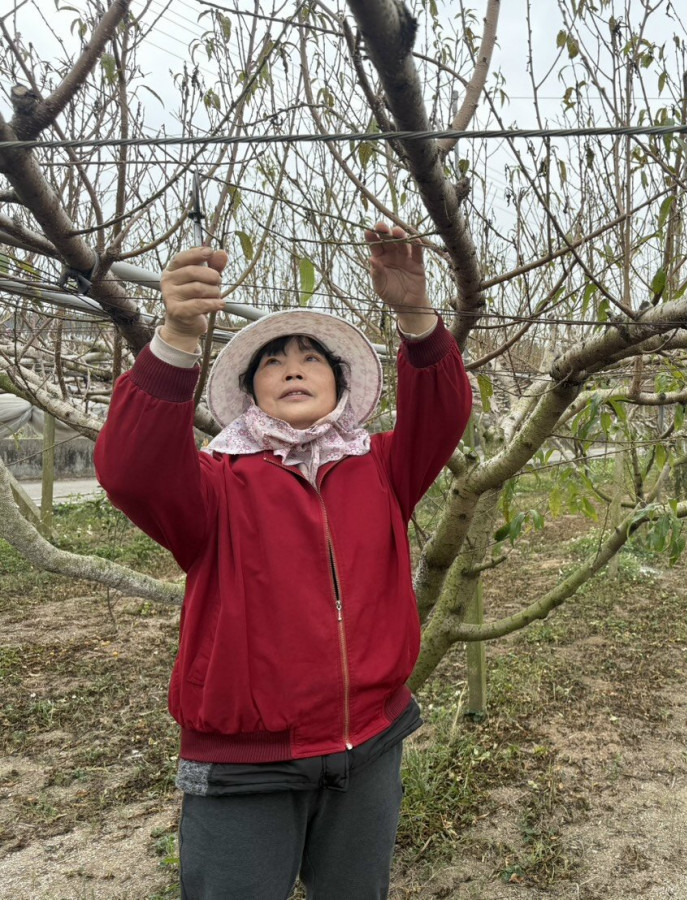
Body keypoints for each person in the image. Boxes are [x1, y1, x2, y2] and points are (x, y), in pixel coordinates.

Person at [95, 223, 473, 899]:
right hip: (247, 765)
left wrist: (416, 313)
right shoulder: (215, 484)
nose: (293, 366)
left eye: (310, 358)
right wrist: (177, 335)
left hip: (371, 747)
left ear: (338, 384)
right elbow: (132, 470)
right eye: (273, 360)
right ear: (251, 391)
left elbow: (442, 411)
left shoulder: (380, 468)